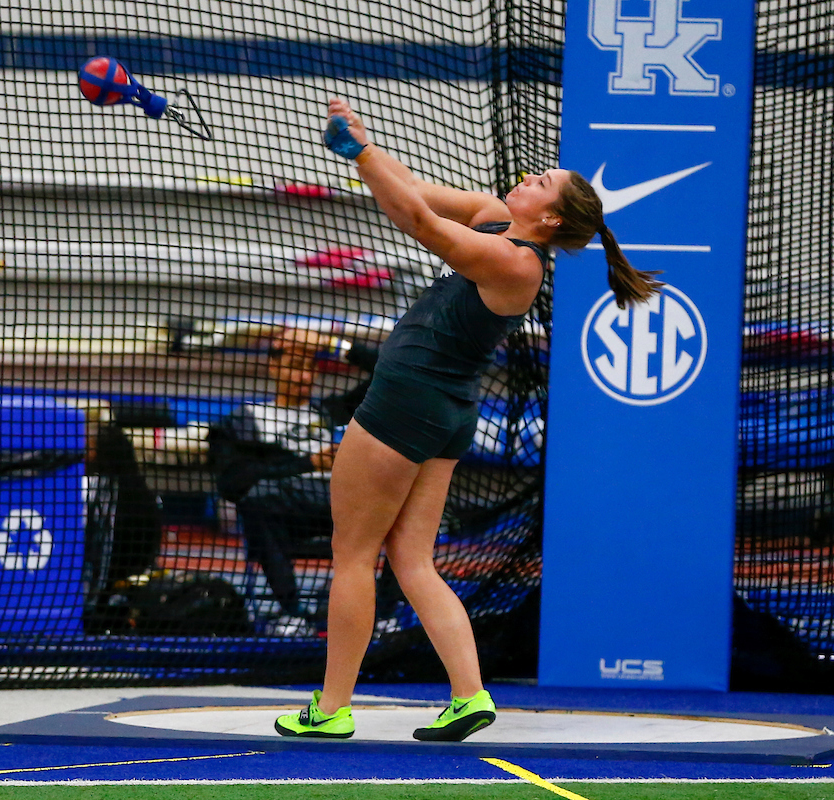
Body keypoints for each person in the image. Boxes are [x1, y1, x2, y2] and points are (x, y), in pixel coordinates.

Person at [275, 98, 663, 742]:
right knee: (411, 559)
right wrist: (367, 147)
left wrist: (361, 158)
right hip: (443, 411)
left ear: (550, 217)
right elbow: (418, 190)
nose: (528, 179)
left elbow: (421, 224)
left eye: (541, 184)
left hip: (406, 404)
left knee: (352, 553)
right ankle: (469, 695)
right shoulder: (495, 219)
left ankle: (332, 707)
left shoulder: (516, 264)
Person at [208, 328, 402, 636]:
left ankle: (386, 614)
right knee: (256, 497)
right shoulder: (245, 419)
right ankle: (292, 612)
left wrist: (333, 344)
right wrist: (307, 463)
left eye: (309, 368)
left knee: (402, 509)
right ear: (273, 367)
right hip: (286, 512)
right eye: (294, 366)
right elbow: (232, 483)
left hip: (343, 504)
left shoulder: (329, 411)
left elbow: (392, 372)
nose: (303, 377)